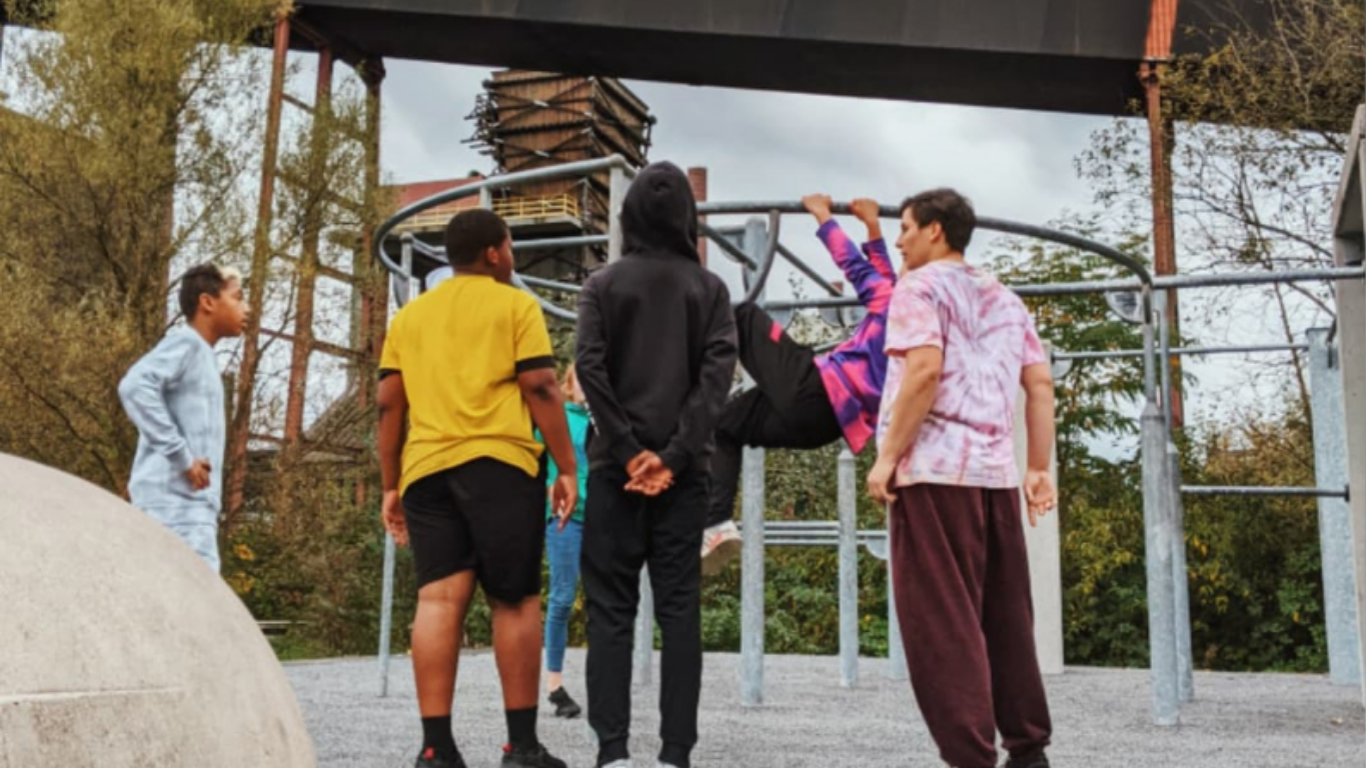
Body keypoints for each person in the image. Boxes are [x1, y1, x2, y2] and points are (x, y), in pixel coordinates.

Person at [377, 208, 578, 768]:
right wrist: (566, 467)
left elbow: (389, 402)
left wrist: (390, 484)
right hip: (499, 463)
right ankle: (522, 747)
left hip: (426, 471)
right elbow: (539, 384)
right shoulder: (515, 304)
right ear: (494, 252)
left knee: (438, 600)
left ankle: (436, 749)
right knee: (513, 601)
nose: (511, 256)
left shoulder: (409, 318)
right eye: (510, 247)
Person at [867, 188, 1056, 768]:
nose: (898, 240)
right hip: (994, 478)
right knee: (1005, 617)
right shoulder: (1005, 298)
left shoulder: (917, 289)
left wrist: (886, 458)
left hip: (932, 474)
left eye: (904, 228)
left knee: (941, 624)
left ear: (935, 231)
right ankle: (1028, 750)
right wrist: (1038, 468)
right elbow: (1040, 385)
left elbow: (923, 370)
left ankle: (970, 758)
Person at [575, 161, 738, 768]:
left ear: (630, 217)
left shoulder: (602, 285)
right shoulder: (711, 290)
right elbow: (715, 380)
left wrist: (626, 450)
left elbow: (589, 369)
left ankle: (612, 753)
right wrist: (671, 455)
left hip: (613, 477)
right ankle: (676, 754)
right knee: (680, 611)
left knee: (612, 612)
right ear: (686, 221)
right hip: (685, 479)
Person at [702, 194, 895, 572]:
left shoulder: (896, 305)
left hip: (816, 388)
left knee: (741, 316)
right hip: (824, 426)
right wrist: (872, 225)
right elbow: (883, 274)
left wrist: (822, 216)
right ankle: (714, 524)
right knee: (724, 425)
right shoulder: (913, 320)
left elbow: (858, 269)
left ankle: (693, 376)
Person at [118, 263, 248, 573]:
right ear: (207, 302)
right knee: (198, 611)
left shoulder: (202, 355)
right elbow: (134, 386)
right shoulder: (186, 344)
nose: (247, 308)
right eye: (238, 297)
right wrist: (182, 457)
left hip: (189, 510)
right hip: (175, 511)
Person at [540, 364, 591, 719]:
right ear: (569, 385)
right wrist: (549, 496)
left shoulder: (604, 422)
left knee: (606, 600)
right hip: (566, 518)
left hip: (602, 520)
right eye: (582, 378)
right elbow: (537, 464)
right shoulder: (556, 418)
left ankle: (603, 682)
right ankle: (555, 686)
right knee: (561, 598)